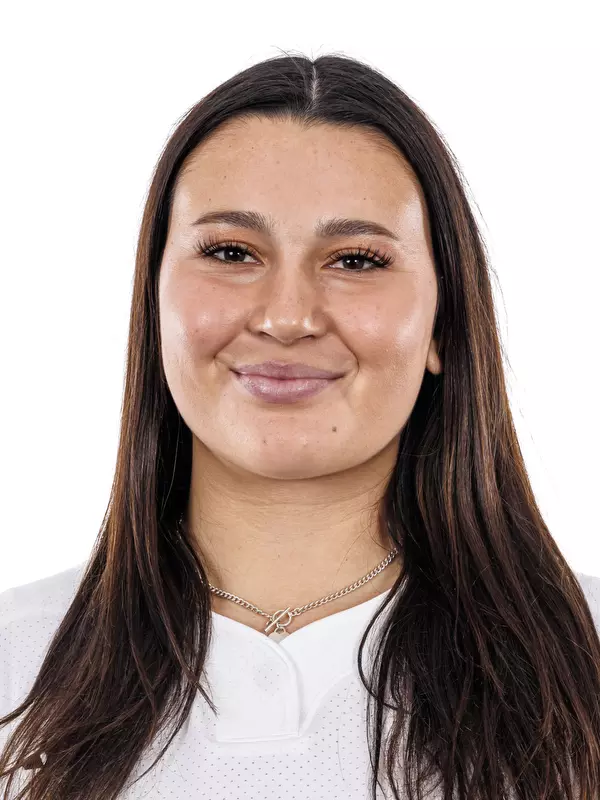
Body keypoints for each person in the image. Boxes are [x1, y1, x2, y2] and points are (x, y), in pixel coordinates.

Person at [1, 51, 599, 800]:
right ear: (155, 306)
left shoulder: (587, 665)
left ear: (444, 322)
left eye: (355, 259)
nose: (287, 317)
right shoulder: (15, 662)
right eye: (229, 252)